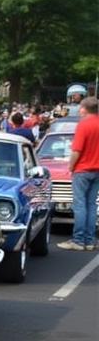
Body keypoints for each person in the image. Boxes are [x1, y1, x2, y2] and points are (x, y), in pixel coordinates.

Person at [58, 96, 99, 251]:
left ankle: (78, 240)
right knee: (91, 204)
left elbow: (77, 150)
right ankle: (90, 240)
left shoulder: (83, 125)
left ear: (84, 108)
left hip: (83, 169)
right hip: (97, 169)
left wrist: (70, 167)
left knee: (80, 205)